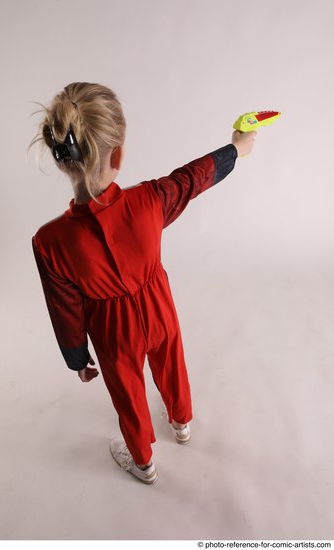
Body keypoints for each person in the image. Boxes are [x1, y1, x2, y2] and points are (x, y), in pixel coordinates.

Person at [31, 82, 256, 485]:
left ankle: (143, 462)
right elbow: (192, 179)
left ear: (63, 158)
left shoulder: (49, 241)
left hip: (112, 331)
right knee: (172, 362)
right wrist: (235, 149)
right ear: (117, 154)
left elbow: (64, 308)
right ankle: (182, 422)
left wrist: (77, 357)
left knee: (128, 394)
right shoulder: (150, 199)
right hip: (159, 307)